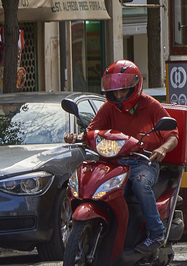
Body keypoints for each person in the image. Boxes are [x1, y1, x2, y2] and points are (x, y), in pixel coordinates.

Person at [64, 60, 178, 254]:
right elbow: (93, 132)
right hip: (112, 162)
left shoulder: (151, 105)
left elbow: (173, 135)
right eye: (115, 91)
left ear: (135, 86)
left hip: (143, 162)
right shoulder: (109, 107)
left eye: (123, 91)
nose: (118, 95)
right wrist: (77, 137)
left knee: (141, 184)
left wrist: (163, 149)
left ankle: (156, 233)